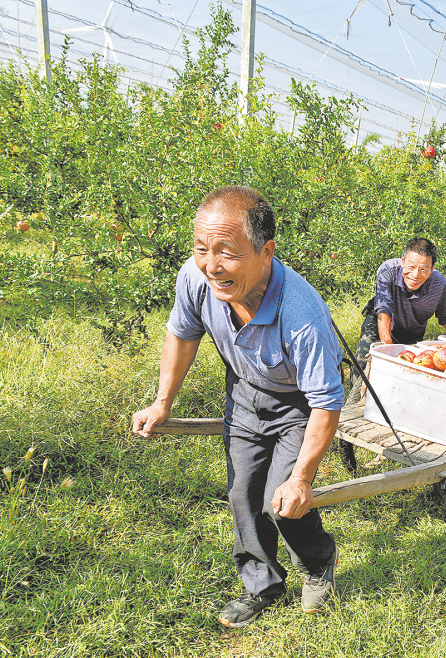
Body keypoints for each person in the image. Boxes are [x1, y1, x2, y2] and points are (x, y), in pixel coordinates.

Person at [132, 186, 343, 628]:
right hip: (245, 393)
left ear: (266, 252)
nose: (211, 265)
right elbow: (182, 334)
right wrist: (162, 402)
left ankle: (319, 560)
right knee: (243, 494)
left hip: (299, 405)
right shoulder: (196, 278)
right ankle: (261, 585)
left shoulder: (302, 316)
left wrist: (302, 478)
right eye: (202, 249)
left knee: (280, 501)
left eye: (226, 252)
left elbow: (325, 403)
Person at [350, 238, 446, 400]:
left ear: (432, 269)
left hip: (412, 332)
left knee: (405, 377)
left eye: (424, 269)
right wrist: (386, 345)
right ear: (402, 261)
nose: (415, 275)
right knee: (364, 364)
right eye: (411, 267)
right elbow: (383, 308)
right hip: (380, 324)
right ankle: (357, 403)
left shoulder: (439, 285)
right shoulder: (388, 270)